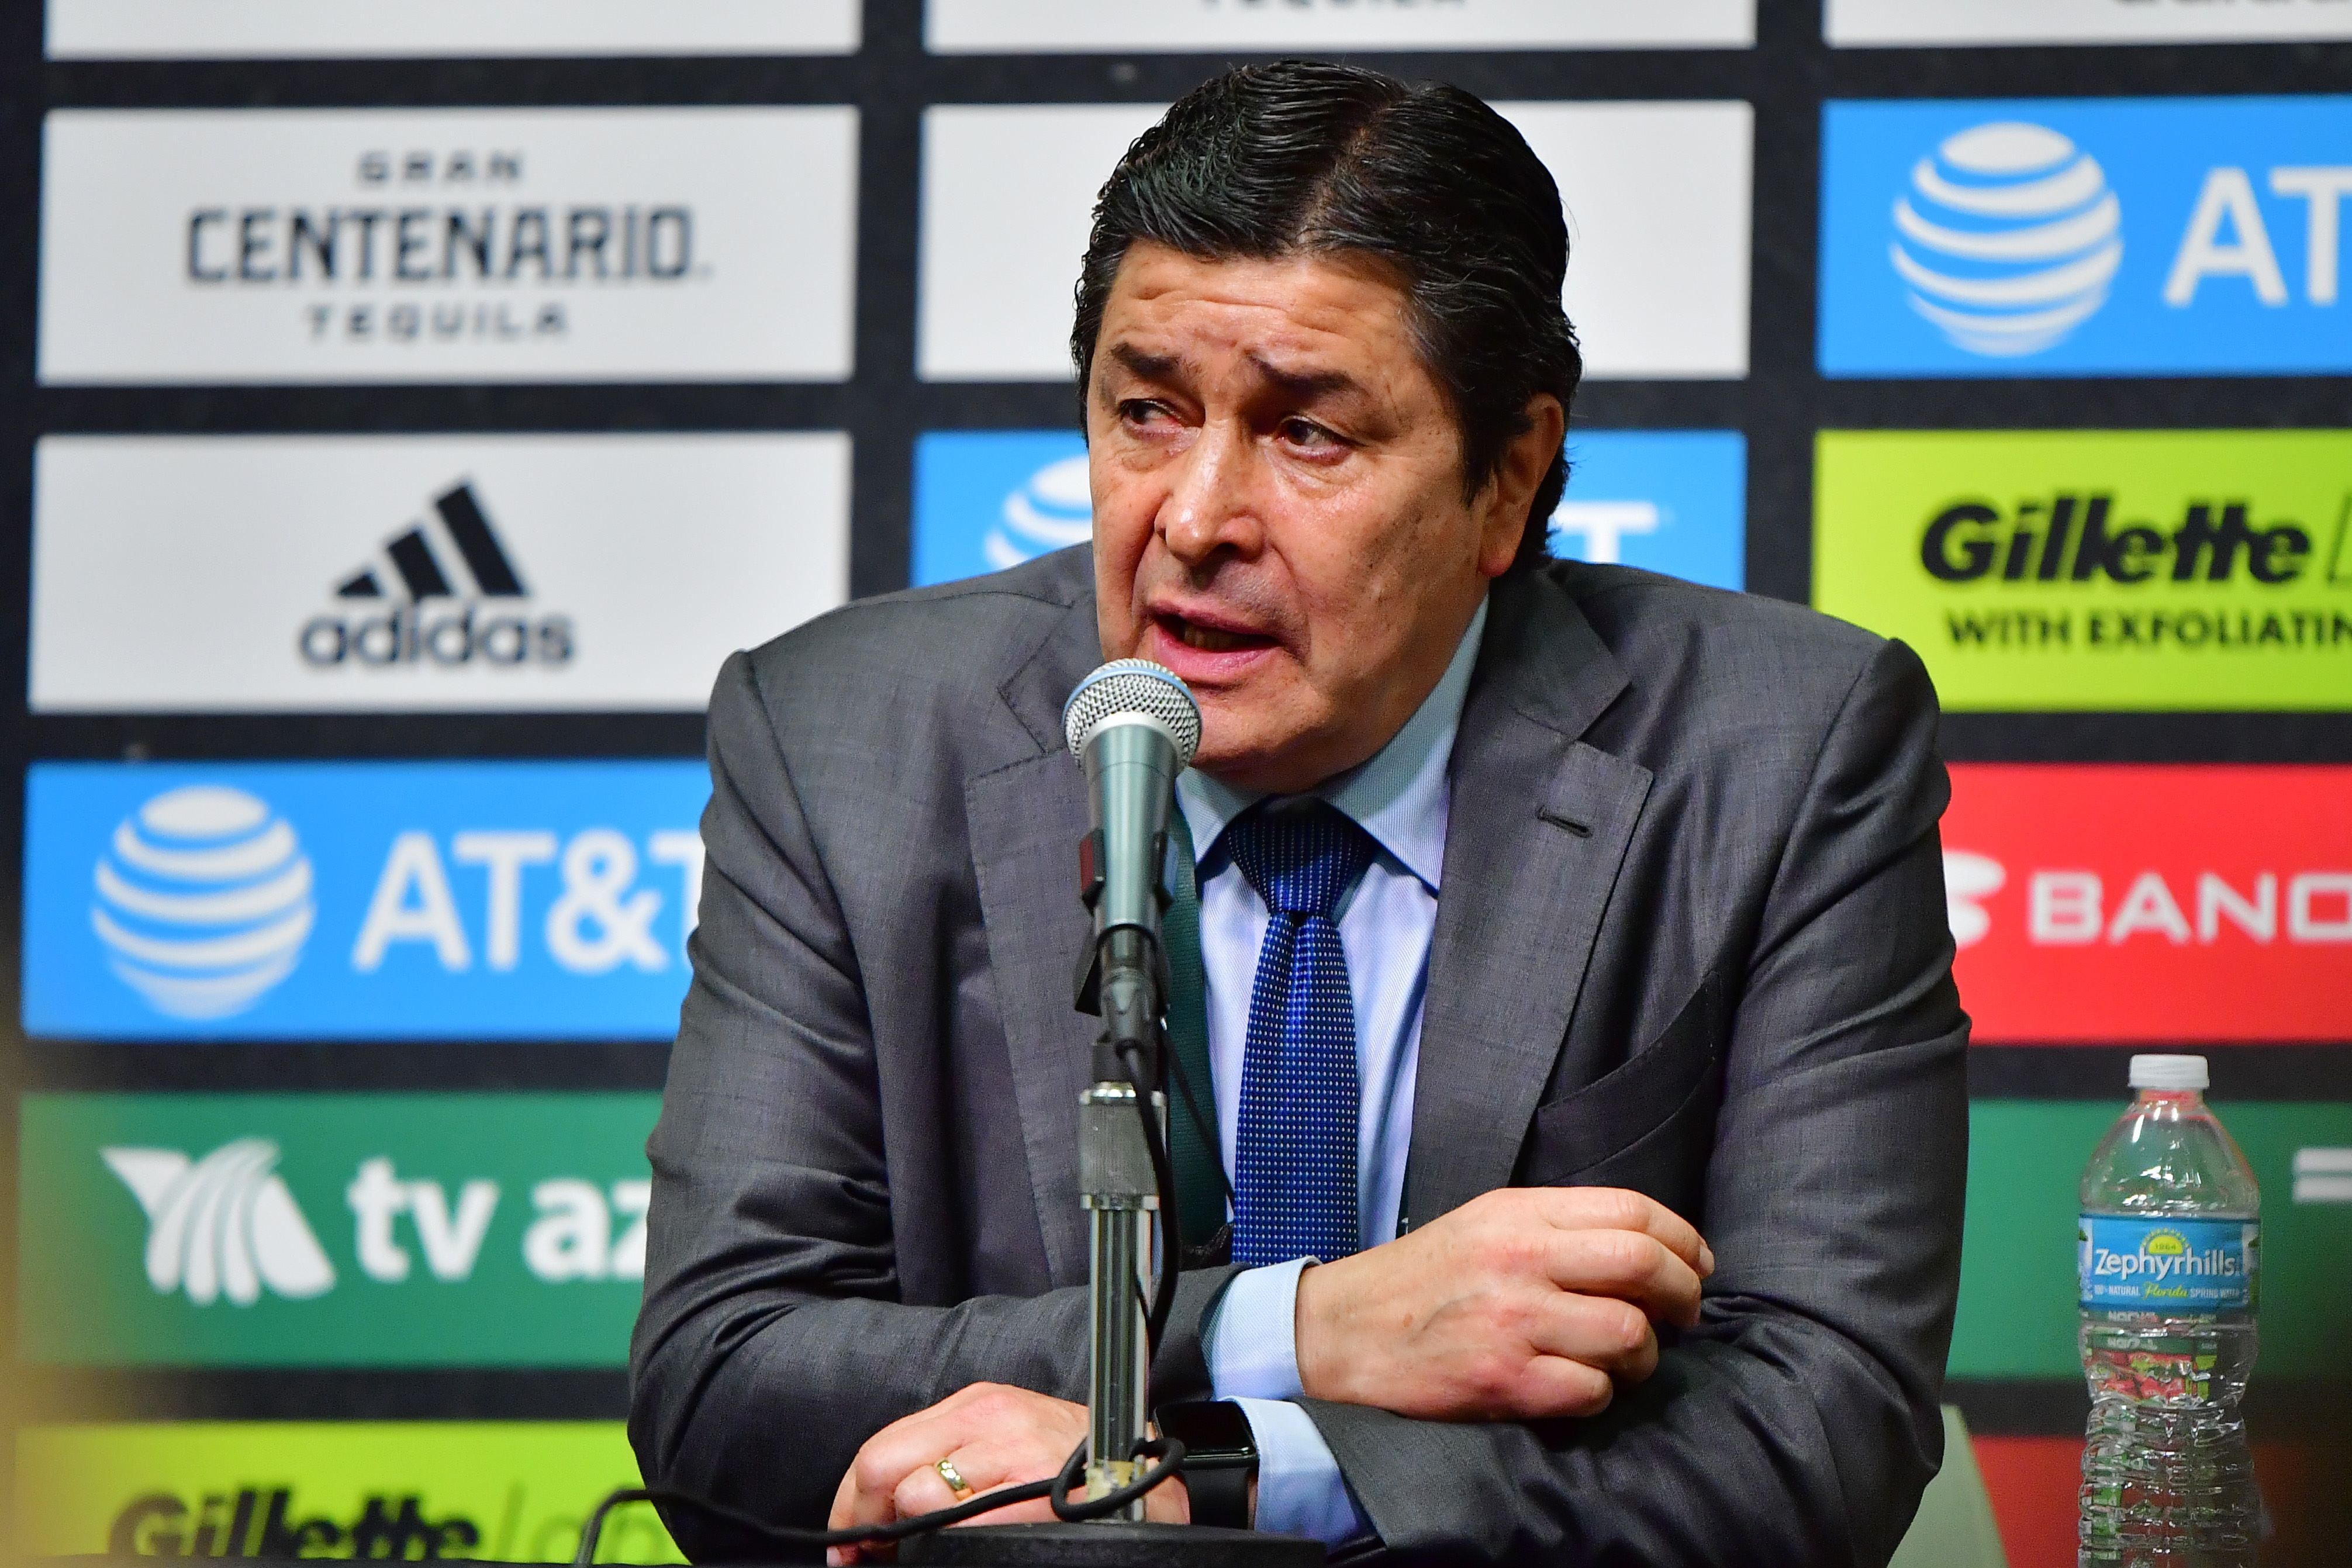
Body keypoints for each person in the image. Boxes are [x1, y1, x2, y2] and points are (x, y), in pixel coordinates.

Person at [630, 60, 1967, 1566]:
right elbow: (720, 1383)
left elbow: (1820, 1434)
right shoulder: (845, 740)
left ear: (1506, 480)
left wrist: (1238, 1470)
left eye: (1306, 434)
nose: (1193, 519)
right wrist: (1306, 1329)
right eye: (1145, 412)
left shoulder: (1776, 754)